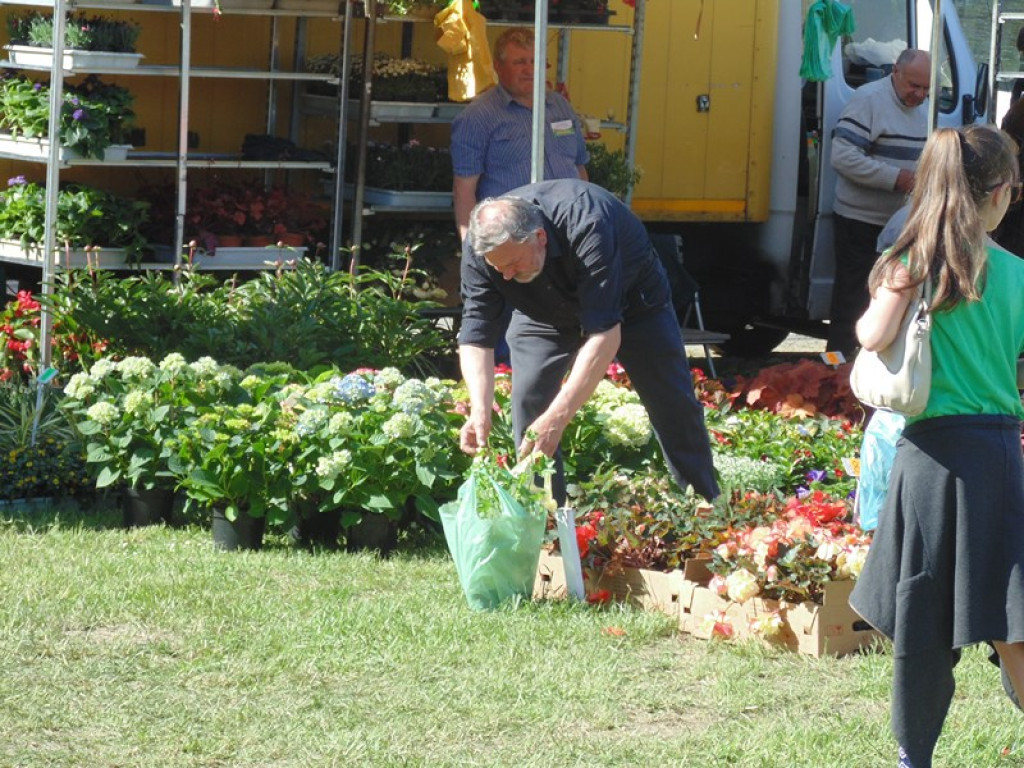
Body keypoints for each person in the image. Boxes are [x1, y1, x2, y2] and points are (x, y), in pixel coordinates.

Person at [849, 124, 1024, 768]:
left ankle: (912, 754)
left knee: (921, 619)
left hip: (925, 459)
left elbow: (870, 337)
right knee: (1011, 618)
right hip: (997, 457)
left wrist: (892, 287)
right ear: (1001, 193)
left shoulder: (910, 260)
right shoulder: (1015, 272)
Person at [456, 179, 719, 504]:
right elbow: (475, 335)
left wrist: (559, 417)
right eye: (499, 269)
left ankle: (704, 506)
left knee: (672, 404)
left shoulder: (586, 220)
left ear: (540, 238)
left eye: (513, 264)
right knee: (529, 404)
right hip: (541, 311)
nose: (506, 276)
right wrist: (480, 410)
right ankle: (546, 520)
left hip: (634, 303)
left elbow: (605, 334)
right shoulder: (482, 249)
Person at [827, 48, 931, 357]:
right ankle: (837, 365)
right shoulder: (868, 99)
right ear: (895, 71)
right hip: (860, 219)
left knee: (888, 301)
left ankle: (875, 368)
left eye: (926, 88)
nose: (920, 94)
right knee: (852, 297)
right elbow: (842, 156)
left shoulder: (926, 109)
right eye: (914, 85)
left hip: (900, 223)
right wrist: (896, 178)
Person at [451, 27, 589, 241]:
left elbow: (579, 167)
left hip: (569, 231)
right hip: (513, 238)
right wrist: (472, 250)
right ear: (498, 67)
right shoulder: (477, 117)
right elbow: (464, 189)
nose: (529, 70)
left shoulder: (560, 107)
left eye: (535, 62)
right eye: (519, 62)